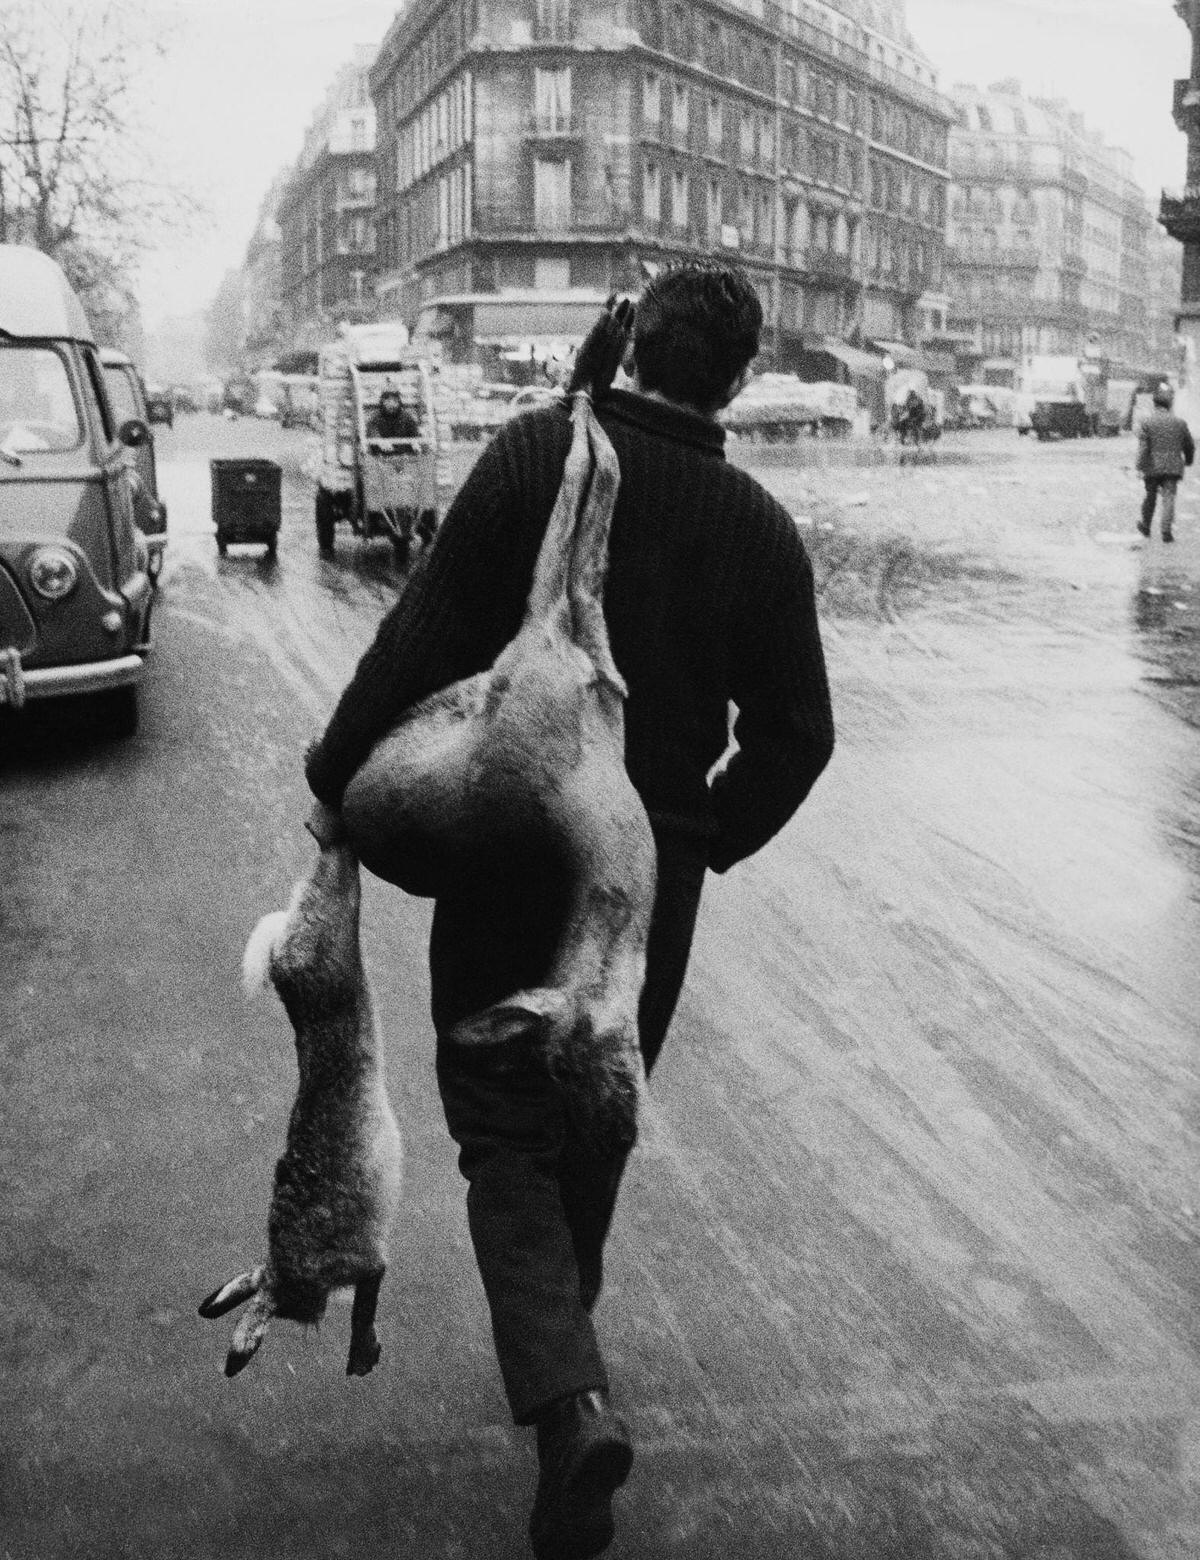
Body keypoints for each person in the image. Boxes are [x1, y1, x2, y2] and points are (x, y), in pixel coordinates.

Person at [303, 265, 835, 1559]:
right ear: (740, 379)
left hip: (499, 853)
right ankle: (567, 1349)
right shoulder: (760, 529)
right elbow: (799, 739)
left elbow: (419, 642)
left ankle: (567, 1395)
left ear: (632, 340)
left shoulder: (539, 455)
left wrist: (334, 787)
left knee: (502, 1134)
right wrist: (701, 833)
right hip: (649, 890)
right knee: (592, 1107)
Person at [1137, 382, 1194, 543]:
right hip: (1172, 467)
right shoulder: (1180, 423)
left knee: (1150, 497)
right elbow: (1189, 445)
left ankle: (1146, 526)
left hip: (1152, 467)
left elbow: (1143, 447)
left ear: (1154, 403)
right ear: (1170, 404)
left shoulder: (1147, 423)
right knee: (1169, 498)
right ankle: (1166, 532)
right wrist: (1188, 460)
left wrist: (1139, 465)